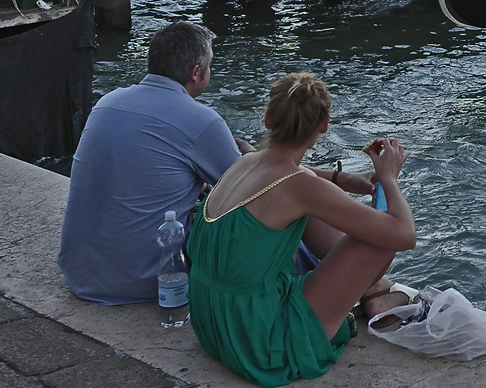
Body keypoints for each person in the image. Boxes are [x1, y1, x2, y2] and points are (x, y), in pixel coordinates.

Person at [188, 72, 416, 387]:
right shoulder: (299, 187)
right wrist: (388, 177)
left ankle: (370, 292)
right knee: (380, 237)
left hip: (213, 322)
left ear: (267, 119)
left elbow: (290, 175)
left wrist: (344, 180)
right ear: (323, 125)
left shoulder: (244, 162)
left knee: (318, 211)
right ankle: (373, 292)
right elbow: (404, 235)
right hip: (262, 342)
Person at [58, 21, 259, 304]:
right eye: (210, 66)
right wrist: (252, 156)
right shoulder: (202, 120)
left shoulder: (107, 102)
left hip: (81, 275)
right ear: (196, 73)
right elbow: (254, 191)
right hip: (147, 282)